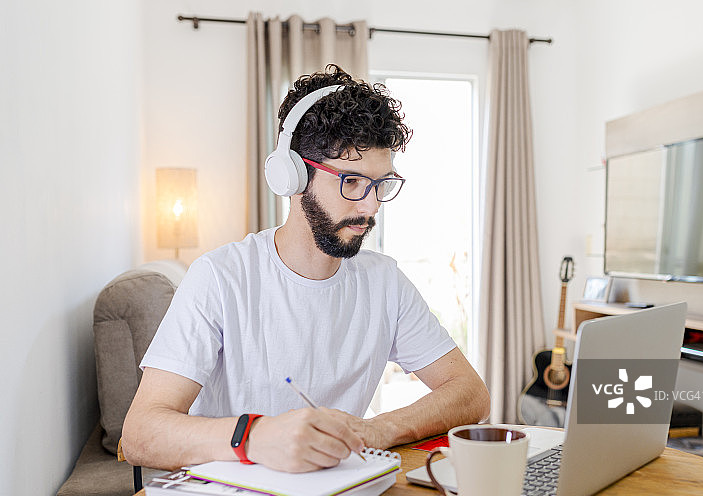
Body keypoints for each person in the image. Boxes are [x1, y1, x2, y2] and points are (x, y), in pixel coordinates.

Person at [121, 64, 490, 474]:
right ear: (293, 175)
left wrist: (376, 430)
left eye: (381, 184)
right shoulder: (220, 277)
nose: (370, 207)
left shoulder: (385, 282)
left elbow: (471, 393)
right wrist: (257, 437)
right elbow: (140, 434)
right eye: (351, 181)